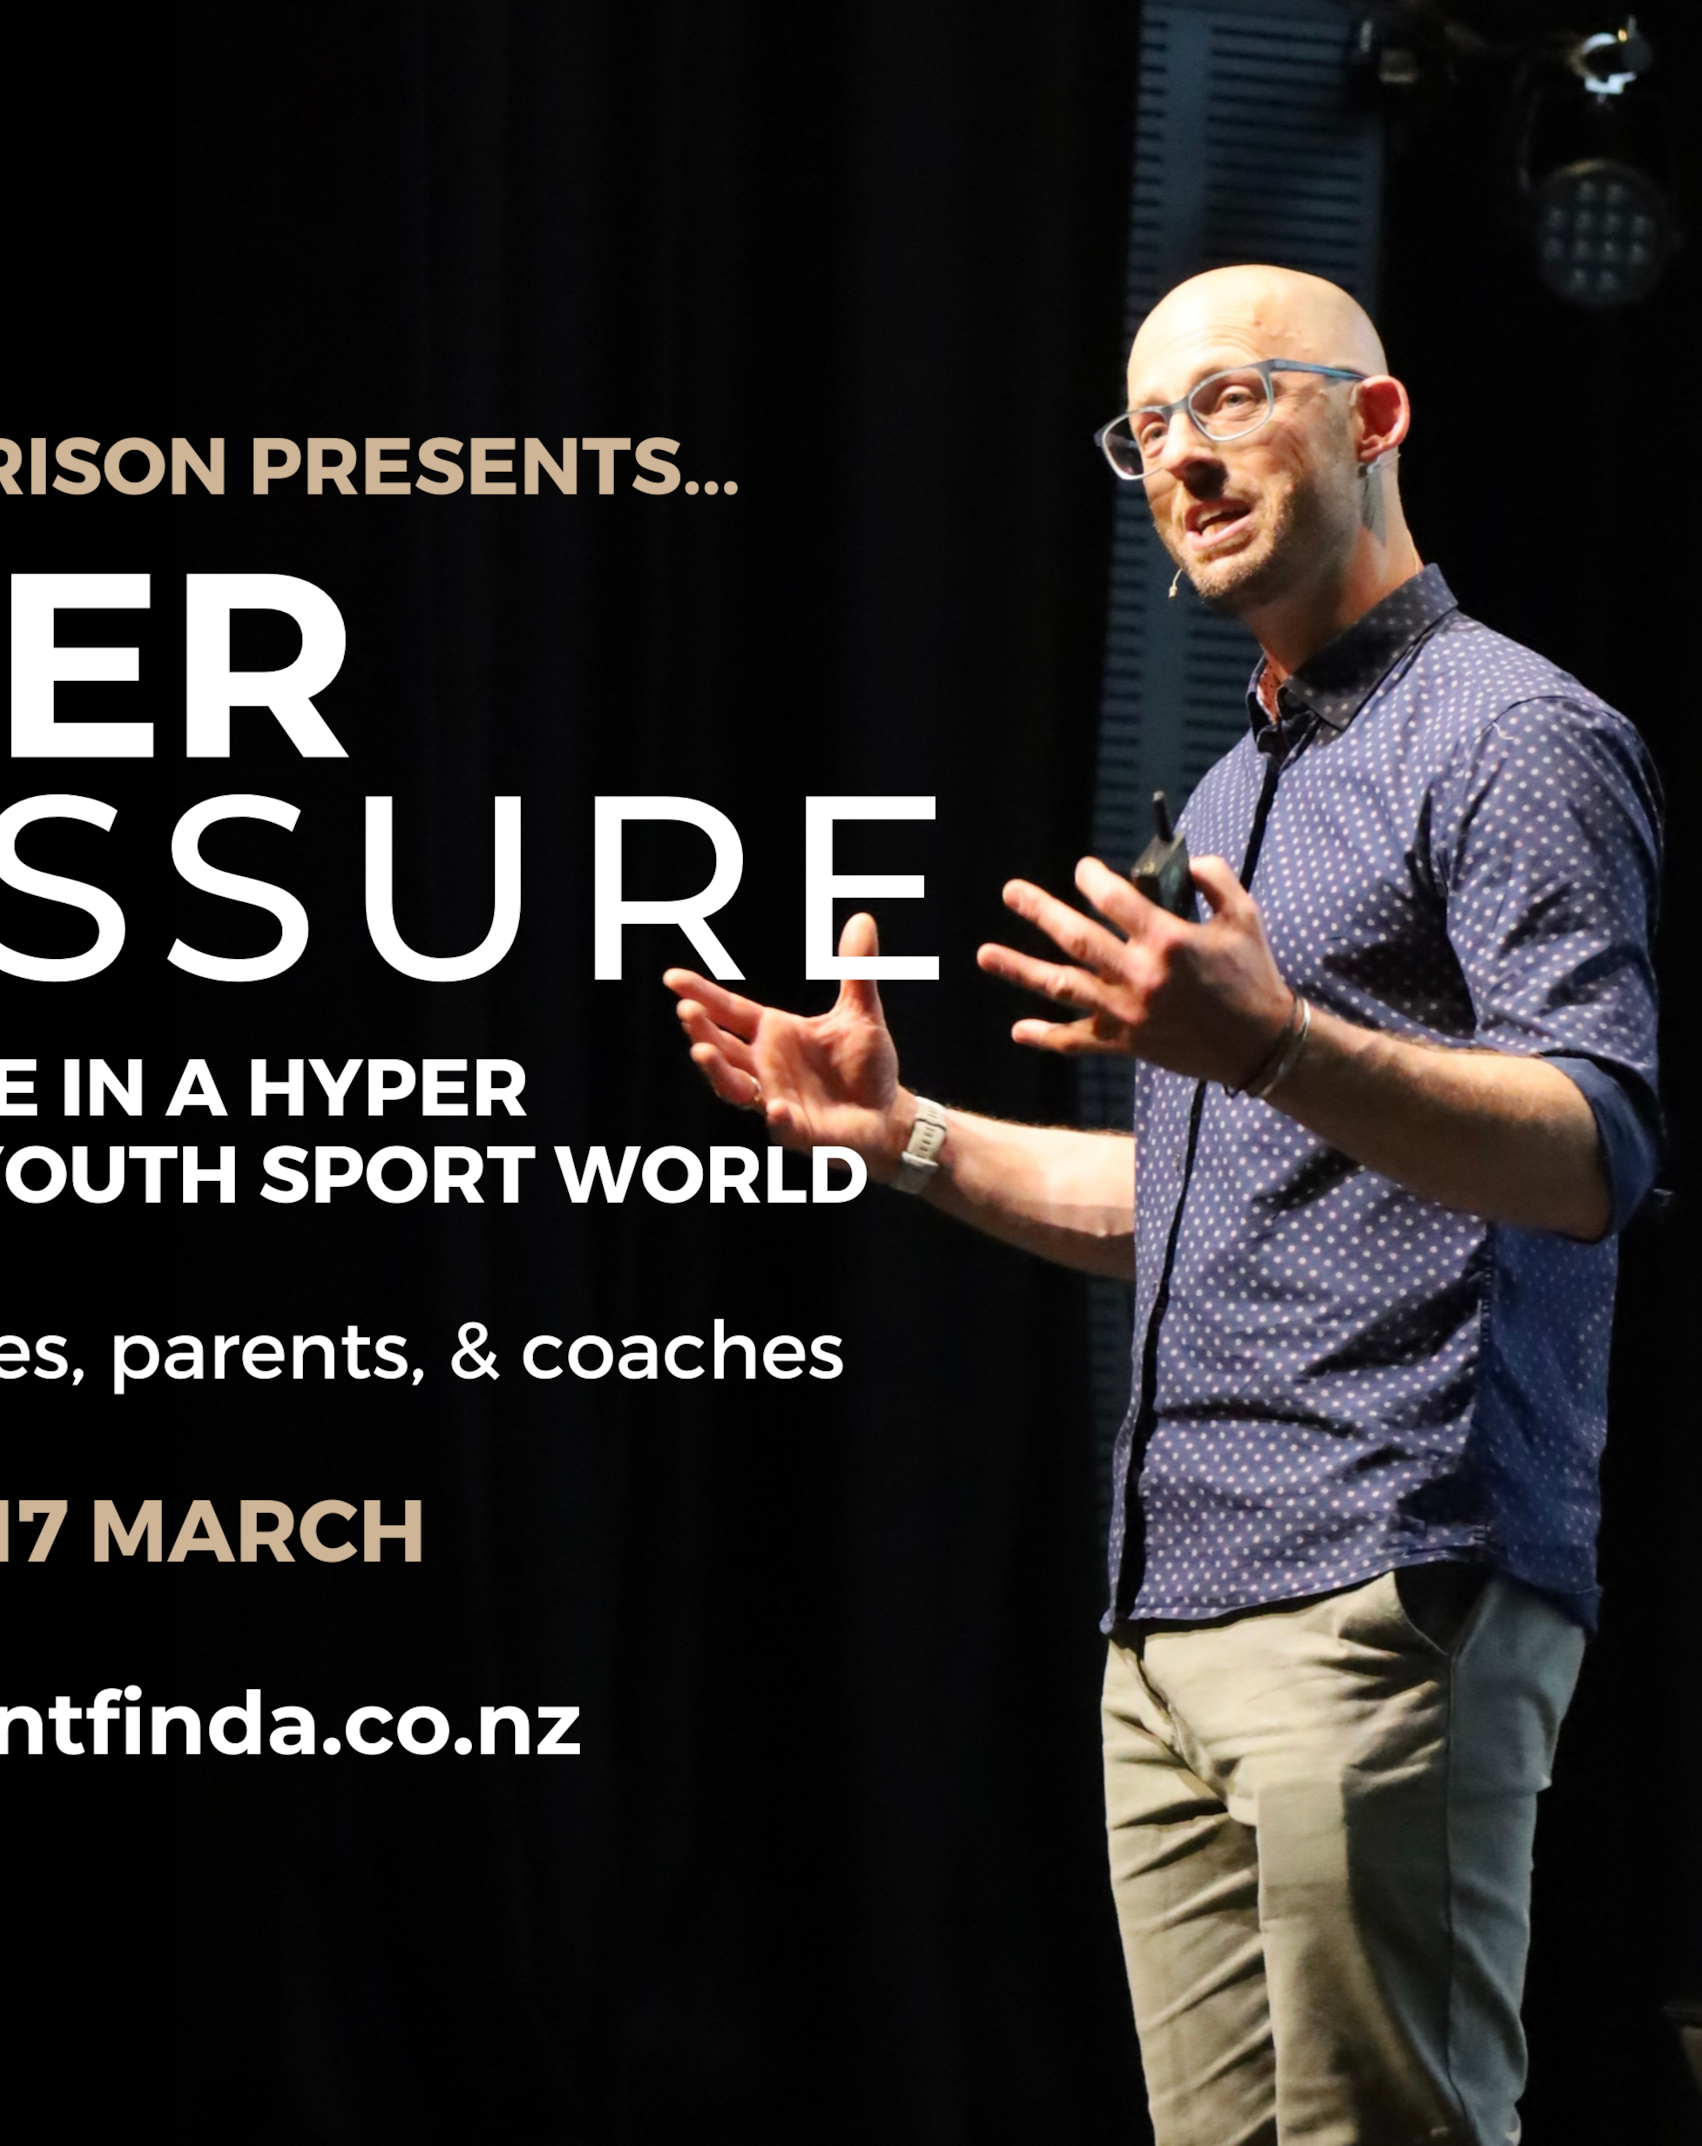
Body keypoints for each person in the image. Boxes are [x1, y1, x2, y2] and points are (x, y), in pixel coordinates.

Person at [665, 264, 1663, 2146]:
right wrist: (904, 1132)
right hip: (1171, 1613)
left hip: (1386, 1579)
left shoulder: (1512, 731)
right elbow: (1203, 1199)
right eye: (1146, 430)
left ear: (1374, 419)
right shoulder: (1224, 791)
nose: (1181, 458)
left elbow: (1589, 1149)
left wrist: (1278, 1046)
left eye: (1232, 398)